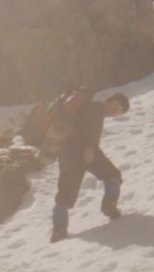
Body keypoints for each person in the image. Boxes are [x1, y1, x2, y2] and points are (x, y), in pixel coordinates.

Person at [51, 92, 130, 242]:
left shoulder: (91, 108)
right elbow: (91, 130)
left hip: (68, 152)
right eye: (117, 106)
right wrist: (90, 148)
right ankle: (109, 204)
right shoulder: (95, 109)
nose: (116, 112)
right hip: (84, 152)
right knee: (112, 175)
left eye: (120, 112)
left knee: (65, 191)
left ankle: (59, 229)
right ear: (110, 100)